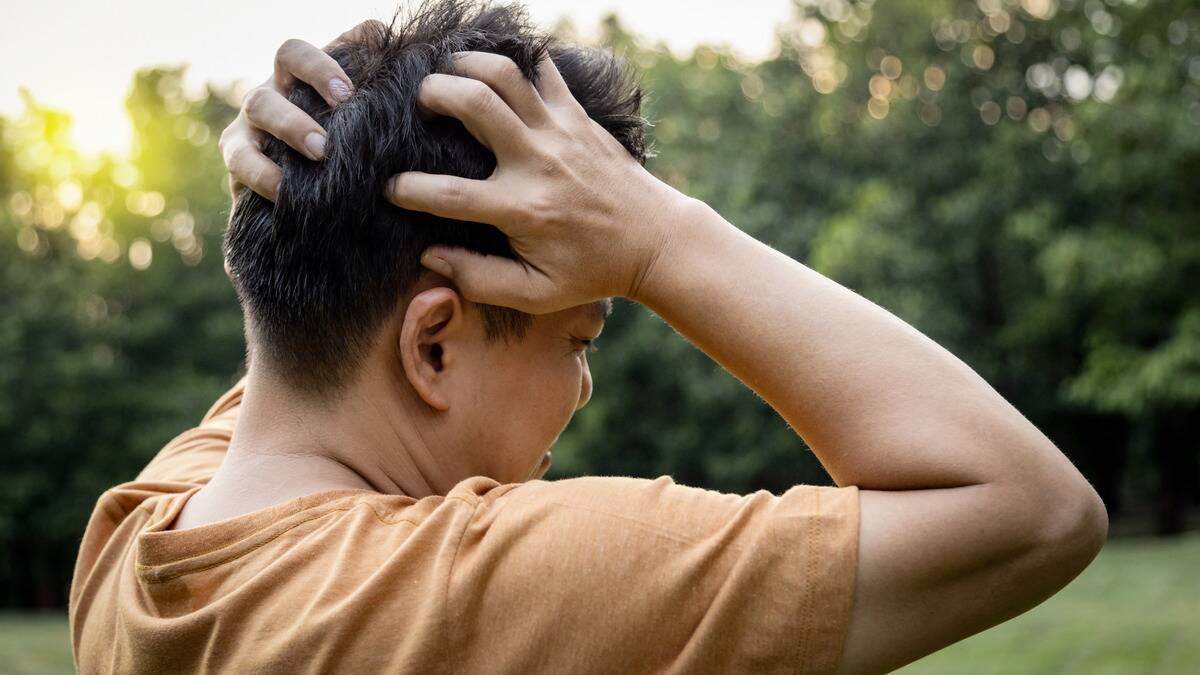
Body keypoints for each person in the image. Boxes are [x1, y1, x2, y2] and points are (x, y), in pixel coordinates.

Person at [68, 1, 1108, 673]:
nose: (582, 390)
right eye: (581, 338)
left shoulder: (133, 544)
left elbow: (303, 351)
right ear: (433, 345)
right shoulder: (489, 592)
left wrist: (311, 168)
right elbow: (1035, 510)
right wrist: (658, 239)